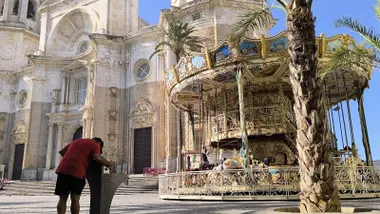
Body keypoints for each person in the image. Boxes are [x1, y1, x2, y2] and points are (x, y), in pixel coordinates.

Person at [55, 137, 113, 214]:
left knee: (62, 198)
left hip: (62, 170)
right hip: (77, 171)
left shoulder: (76, 141)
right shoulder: (95, 144)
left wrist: (74, 157)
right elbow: (98, 158)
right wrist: (110, 163)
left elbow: (62, 152)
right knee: (75, 198)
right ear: (99, 144)